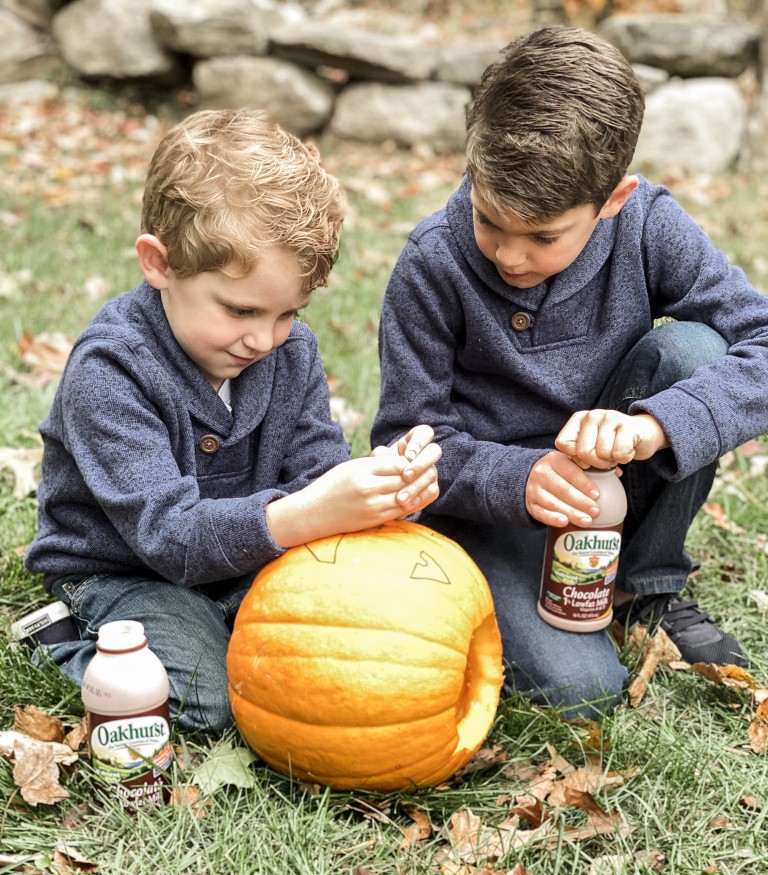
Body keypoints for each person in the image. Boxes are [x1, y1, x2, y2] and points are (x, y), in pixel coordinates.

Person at [371, 26, 767, 719]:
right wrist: (518, 478)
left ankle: (648, 584)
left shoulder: (647, 226)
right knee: (580, 691)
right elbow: (408, 440)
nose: (510, 256)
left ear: (613, 199)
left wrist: (650, 427)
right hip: (493, 514)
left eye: (544, 236)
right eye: (491, 220)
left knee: (694, 354)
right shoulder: (433, 264)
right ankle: (519, 588)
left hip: (612, 489)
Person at [21, 109, 441, 734]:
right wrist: (307, 513)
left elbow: (316, 471)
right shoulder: (112, 371)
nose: (263, 339)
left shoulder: (287, 354)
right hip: (124, 568)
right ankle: (64, 642)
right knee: (211, 700)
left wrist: (378, 488)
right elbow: (169, 536)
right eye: (241, 310)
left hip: (245, 556)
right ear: (159, 264)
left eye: (286, 313)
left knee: (337, 652)